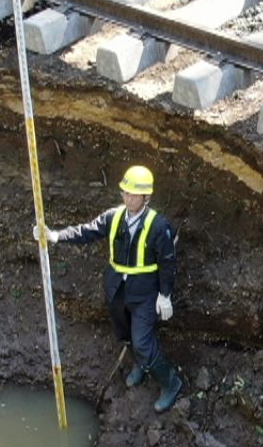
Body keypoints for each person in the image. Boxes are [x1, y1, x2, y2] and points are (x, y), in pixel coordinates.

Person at [44, 165, 184, 412]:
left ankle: (170, 383)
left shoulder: (158, 225)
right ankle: (140, 365)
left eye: (134, 194)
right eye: (126, 193)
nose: (129, 198)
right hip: (117, 288)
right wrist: (56, 236)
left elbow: (167, 262)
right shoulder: (114, 216)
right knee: (125, 333)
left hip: (145, 293)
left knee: (142, 341)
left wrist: (165, 295)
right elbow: (86, 231)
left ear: (146, 197)